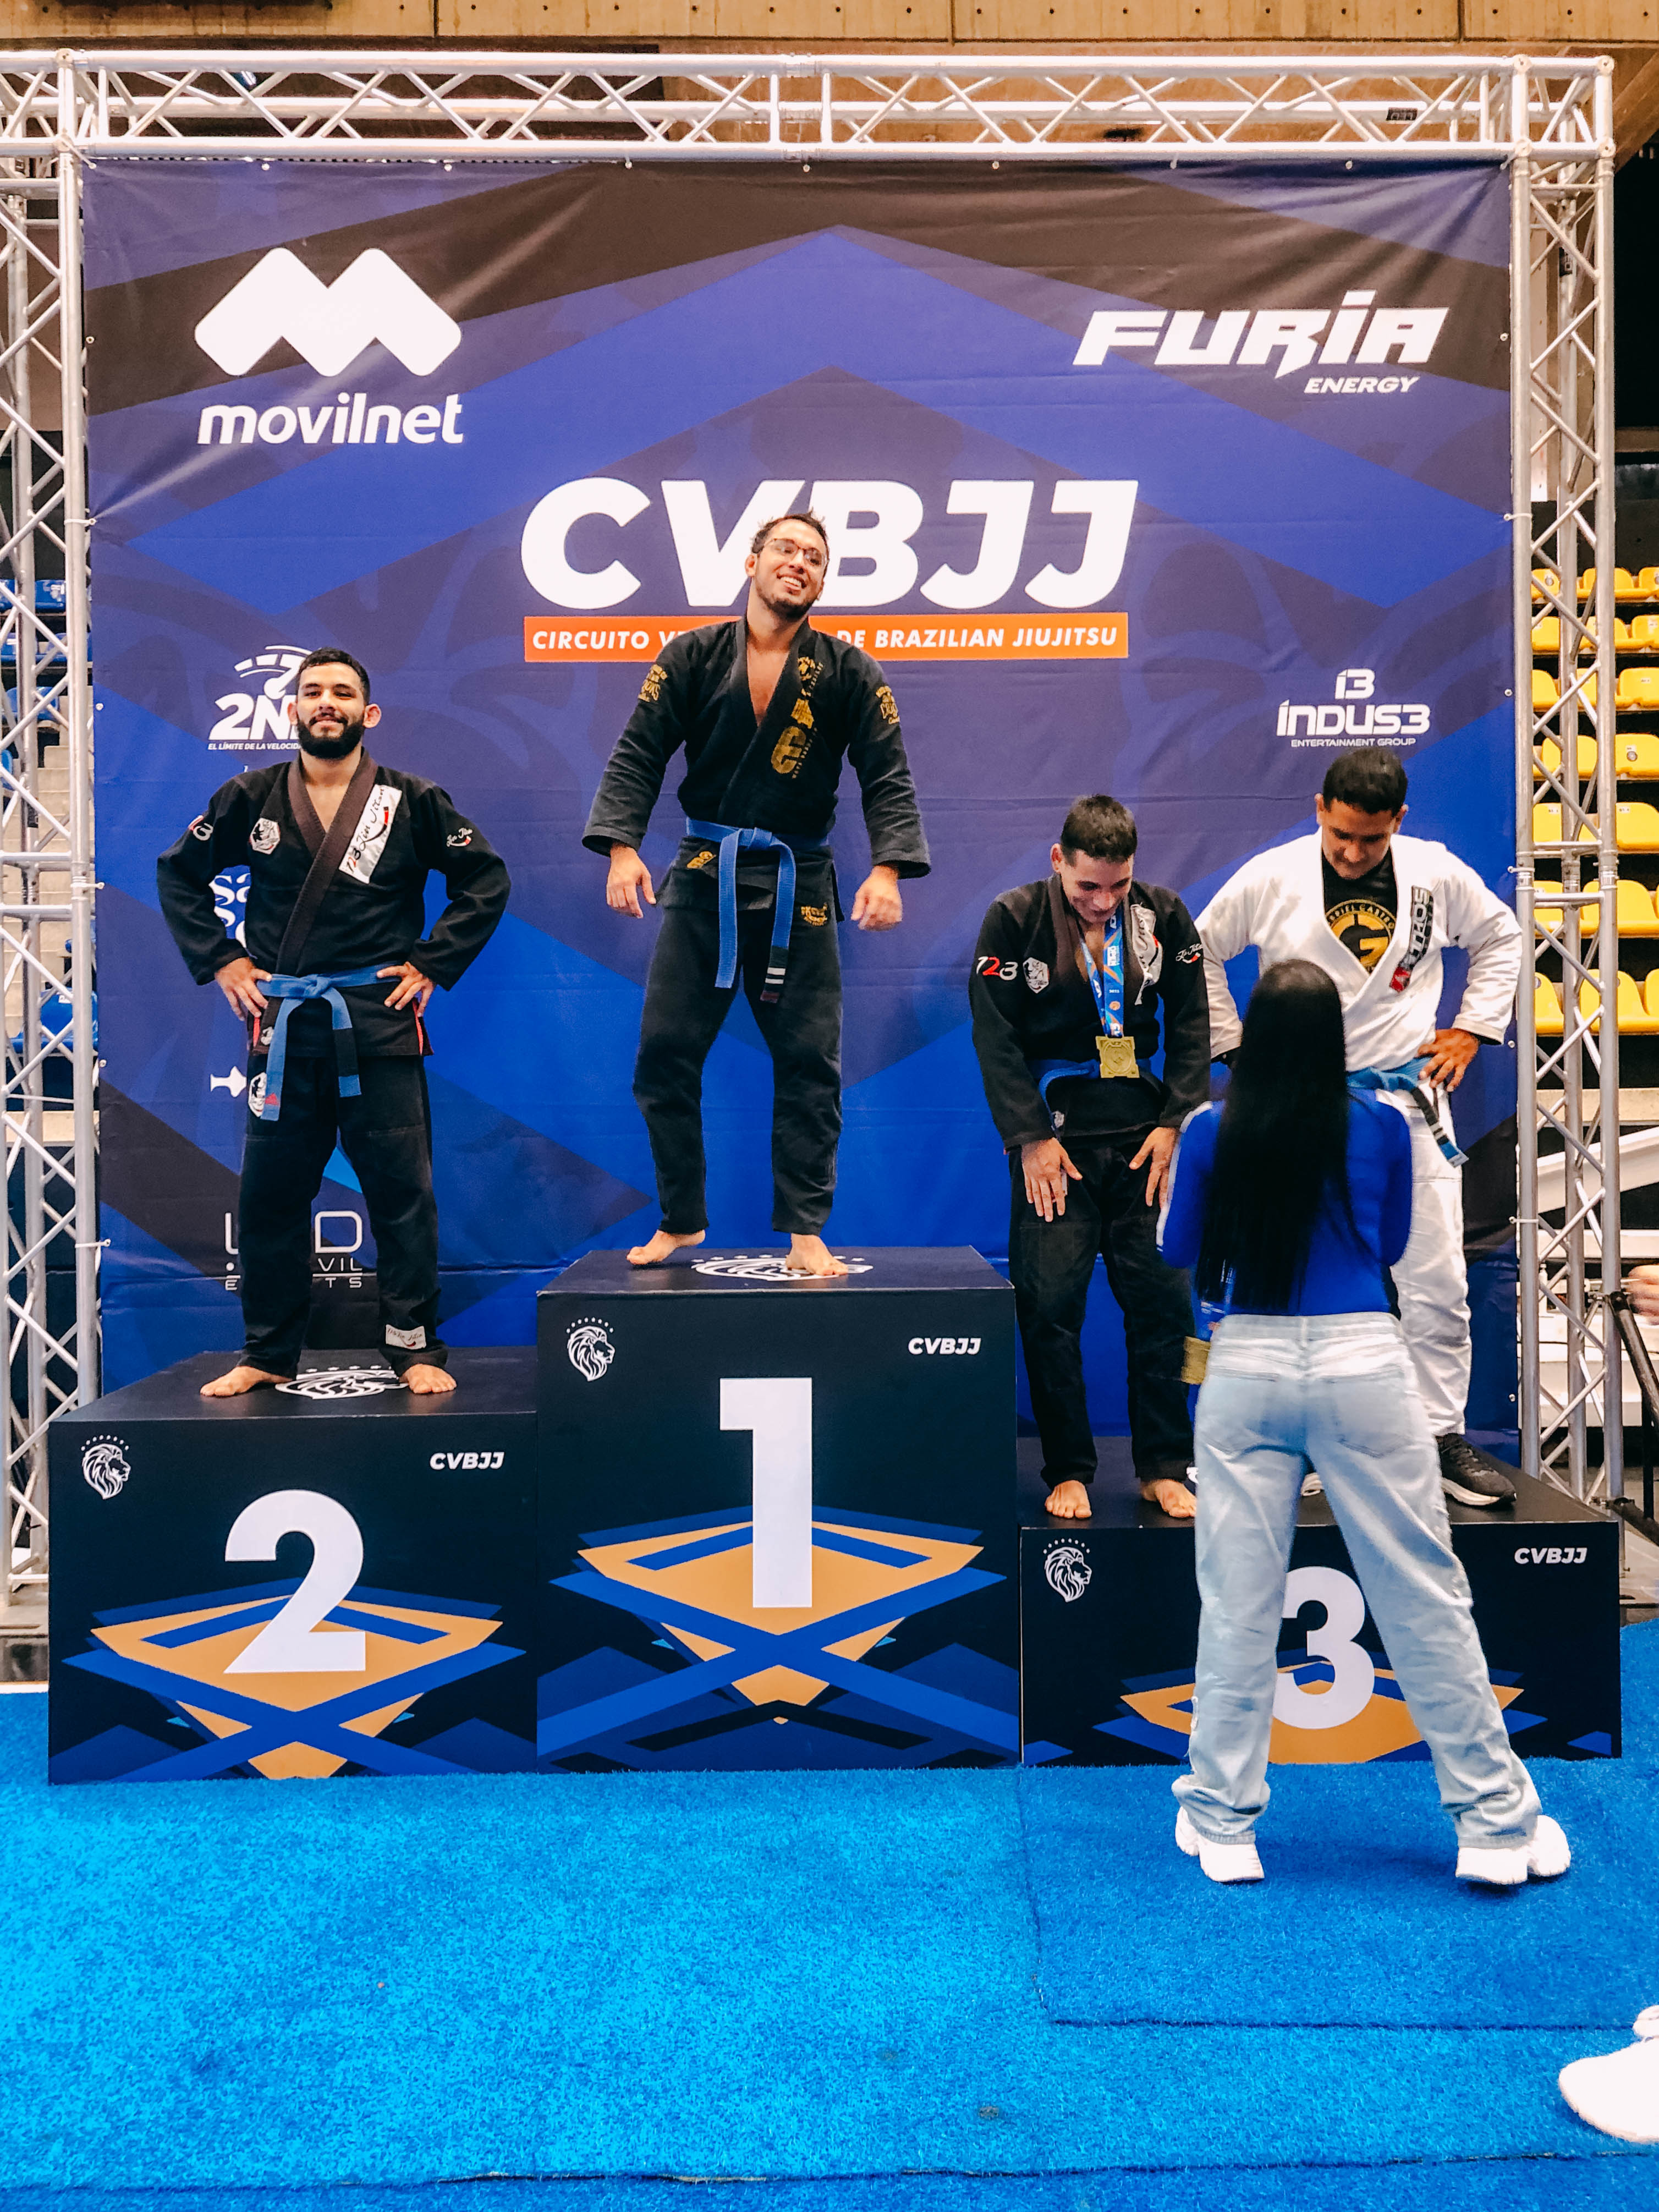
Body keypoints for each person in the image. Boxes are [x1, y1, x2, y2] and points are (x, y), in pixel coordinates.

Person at [1158, 957, 1567, 1886]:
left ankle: (1222, 1822)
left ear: (1254, 1039)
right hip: (1364, 1365)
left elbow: (1179, 1247)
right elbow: (1388, 1245)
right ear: (1336, 1041)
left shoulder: (1211, 1129)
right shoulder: (1382, 1122)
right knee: (1425, 1591)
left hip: (1246, 1367)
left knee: (1237, 1601)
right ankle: (1495, 1825)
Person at [584, 511, 929, 1277]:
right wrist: (621, 847)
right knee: (665, 1055)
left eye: (815, 557)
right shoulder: (692, 656)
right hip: (705, 873)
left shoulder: (850, 672)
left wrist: (889, 868)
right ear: (752, 561)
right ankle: (681, 1218)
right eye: (786, 549)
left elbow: (888, 775)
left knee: (809, 1062)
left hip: (797, 885)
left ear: (823, 581)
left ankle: (805, 1229)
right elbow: (639, 753)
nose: (799, 562)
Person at [157, 649, 509, 1398]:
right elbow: (178, 873)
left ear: (367, 714)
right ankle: (268, 1351)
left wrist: (432, 962)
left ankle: (414, 1346)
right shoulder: (249, 797)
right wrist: (223, 960)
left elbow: (485, 878)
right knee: (270, 1199)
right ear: (292, 710)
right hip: (284, 1027)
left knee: (402, 1197)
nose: (327, 702)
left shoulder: (411, 800)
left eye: (343, 693)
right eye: (313, 691)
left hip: (377, 1025)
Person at [1197, 746, 1523, 1509]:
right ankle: (1302, 1441)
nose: (1351, 852)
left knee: (1436, 1282)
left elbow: (1502, 937)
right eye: (1340, 833)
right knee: (1294, 1277)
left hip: (1403, 1099)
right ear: (1319, 809)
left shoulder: (1433, 872)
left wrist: (1473, 1028)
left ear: (1398, 821)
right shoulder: (1273, 876)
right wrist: (1234, 1045)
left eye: (1370, 839)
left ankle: (1439, 1436)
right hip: (1296, 1105)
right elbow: (1197, 949)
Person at [969, 794, 1209, 1522]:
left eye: (1118, 885)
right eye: (1088, 887)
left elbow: (1193, 1019)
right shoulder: (1013, 919)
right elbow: (995, 1035)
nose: (1104, 901)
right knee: (1049, 1308)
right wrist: (1029, 1137)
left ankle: (1164, 1463)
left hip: (1144, 1144)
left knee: (1165, 1307)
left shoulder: (1164, 916)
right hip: (1056, 1146)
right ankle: (1069, 1467)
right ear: (1058, 860)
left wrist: (1176, 1121)